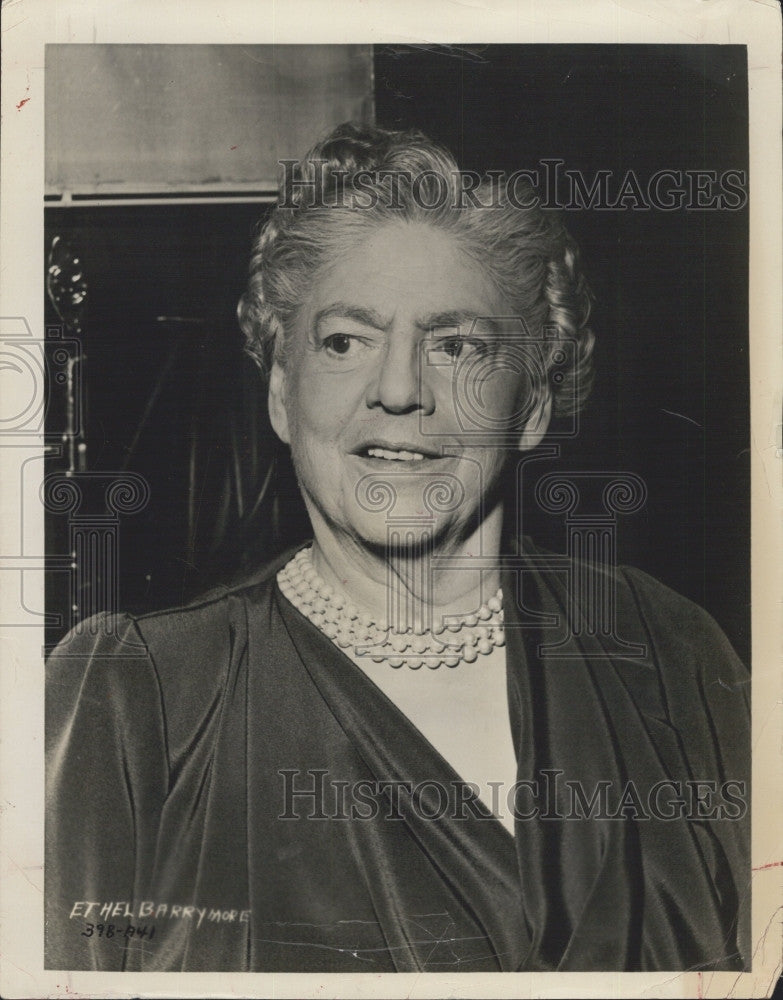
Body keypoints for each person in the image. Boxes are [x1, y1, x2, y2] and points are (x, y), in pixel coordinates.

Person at [45, 122, 750, 973]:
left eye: (457, 346)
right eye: (346, 341)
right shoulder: (137, 697)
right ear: (279, 392)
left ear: (532, 405)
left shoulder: (668, 653)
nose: (398, 389)